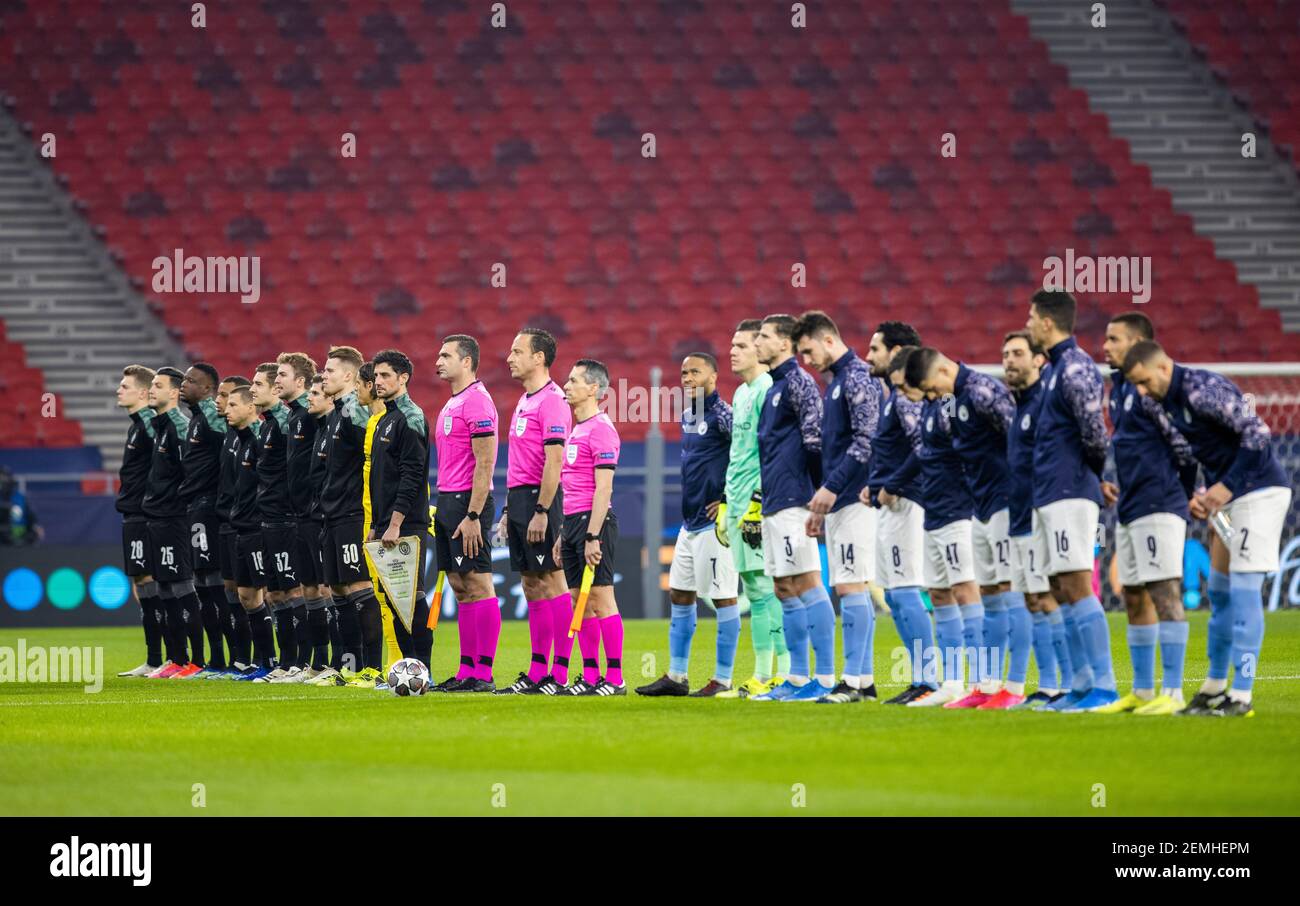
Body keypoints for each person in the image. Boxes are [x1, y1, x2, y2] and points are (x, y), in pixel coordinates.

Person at [1123, 340, 1293, 717]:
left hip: (1259, 492)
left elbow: (1258, 435)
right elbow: (1183, 453)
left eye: (1145, 381)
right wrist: (1191, 495)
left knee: (1246, 593)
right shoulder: (1158, 401)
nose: (1141, 391)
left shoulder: (1202, 389)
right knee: (1218, 591)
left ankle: (1243, 693)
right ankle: (1215, 686)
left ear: (1164, 367)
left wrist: (1224, 488)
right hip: (1227, 498)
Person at [910, 347, 1031, 709]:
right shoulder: (956, 398)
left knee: (1012, 592)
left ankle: (1015, 685)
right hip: (981, 505)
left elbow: (1018, 440)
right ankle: (987, 684)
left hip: (1006, 500)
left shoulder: (982, 391)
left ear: (944, 369)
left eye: (932, 389)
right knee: (991, 594)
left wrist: (1022, 490)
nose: (932, 398)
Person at [1098, 313, 1197, 714]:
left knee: (1165, 593)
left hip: (1159, 503)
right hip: (1131, 506)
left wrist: (1180, 493)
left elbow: (1185, 447)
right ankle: (1141, 691)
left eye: (1113, 340)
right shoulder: (1121, 388)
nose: (1105, 347)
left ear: (1138, 342)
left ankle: (1172, 693)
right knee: (1135, 596)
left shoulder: (1151, 392)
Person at [1026, 290, 1118, 712]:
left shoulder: (1076, 367)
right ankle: (1080, 685)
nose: (1027, 324)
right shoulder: (1052, 369)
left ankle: (1103, 685)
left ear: (1047, 322)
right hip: (1049, 493)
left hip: (1069, 492)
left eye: (1031, 317)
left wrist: (1092, 475)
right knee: (1060, 587)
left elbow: (1095, 433)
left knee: (1078, 585)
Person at [794, 311, 885, 703]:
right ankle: (862, 681)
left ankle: (853, 681)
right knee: (849, 583)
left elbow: (866, 441)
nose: (806, 360)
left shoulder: (858, 378)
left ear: (828, 340)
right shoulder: (835, 383)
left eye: (808, 350)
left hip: (856, 498)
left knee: (851, 585)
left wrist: (830, 489)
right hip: (841, 499)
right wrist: (822, 502)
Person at [637, 353, 738, 697]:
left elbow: (746, 458)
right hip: (689, 523)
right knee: (680, 594)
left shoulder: (725, 416)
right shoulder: (687, 416)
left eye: (695, 371)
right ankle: (677, 677)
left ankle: (722, 681)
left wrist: (727, 501)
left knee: (724, 597)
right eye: (683, 372)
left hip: (715, 524)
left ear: (713, 376)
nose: (687, 378)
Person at [750, 313, 836, 702]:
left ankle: (827, 676)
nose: (757, 343)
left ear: (785, 343)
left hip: (794, 500)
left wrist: (815, 493)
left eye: (764, 337)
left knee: (805, 581)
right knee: (784, 586)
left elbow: (815, 441)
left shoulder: (799, 383)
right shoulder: (774, 388)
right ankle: (799, 678)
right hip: (773, 501)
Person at [493, 328, 573, 695]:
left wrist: (542, 509)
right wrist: (511, 508)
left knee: (553, 581)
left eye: (516, 351)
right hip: (522, 500)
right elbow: (521, 463)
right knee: (531, 583)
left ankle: (558, 674)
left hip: (544, 500)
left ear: (538, 357)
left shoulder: (552, 400)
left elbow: (554, 461)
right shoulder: (526, 400)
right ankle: (538, 670)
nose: (509, 358)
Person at [715, 319, 790, 699]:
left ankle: (781, 674)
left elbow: (771, 453)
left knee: (767, 589)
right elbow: (739, 455)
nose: (733, 351)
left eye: (742, 345)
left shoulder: (765, 391)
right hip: (740, 501)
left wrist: (758, 502)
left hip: (759, 504)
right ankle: (766, 675)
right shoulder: (742, 394)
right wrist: (729, 503)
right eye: (733, 344)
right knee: (758, 589)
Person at [1001, 332, 1073, 709]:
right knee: (1033, 599)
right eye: (1005, 355)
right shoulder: (1018, 405)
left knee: (1050, 597)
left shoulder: (1046, 402)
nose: (1008, 361)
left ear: (1038, 360)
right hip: (1019, 514)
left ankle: (1070, 683)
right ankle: (1048, 686)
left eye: (1017, 353)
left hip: (1042, 511)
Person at [863, 325, 934, 705]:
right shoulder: (893, 395)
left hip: (907, 502)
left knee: (906, 592)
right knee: (895, 592)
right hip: (892, 500)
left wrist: (891, 484)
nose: (869, 356)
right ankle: (921, 678)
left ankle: (928, 679)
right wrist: (874, 485)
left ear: (899, 352)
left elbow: (923, 447)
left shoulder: (906, 396)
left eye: (875, 349)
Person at [429, 335, 502, 693]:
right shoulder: (452, 403)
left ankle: (483, 673)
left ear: (467, 361)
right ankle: (466, 670)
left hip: (468, 504)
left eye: (446, 355)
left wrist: (473, 515)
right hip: (448, 500)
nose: (438, 361)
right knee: (460, 585)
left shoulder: (477, 402)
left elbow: (485, 462)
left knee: (478, 582)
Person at [552, 359, 625, 695]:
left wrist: (592, 535)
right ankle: (592, 676)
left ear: (593, 389)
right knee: (577, 600)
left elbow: (604, 489)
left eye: (573, 381)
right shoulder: (577, 429)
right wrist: (566, 532)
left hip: (594, 524)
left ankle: (615, 679)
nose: (566, 386)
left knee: (600, 599)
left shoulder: (601, 428)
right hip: (573, 523)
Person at [315, 345, 385, 685]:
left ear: (348, 375)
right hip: (332, 514)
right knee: (339, 590)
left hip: (352, 513)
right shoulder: (334, 415)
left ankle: (372, 668)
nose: (323, 376)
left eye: (329, 371)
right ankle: (349, 667)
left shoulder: (357, 415)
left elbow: (375, 464)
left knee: (358, 586)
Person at [367, 349, 435, 671]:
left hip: (406, 525)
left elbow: (412, 477)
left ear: (403, 378)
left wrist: (394, 524)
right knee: (395, 601)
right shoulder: (385, 419)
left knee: (412, 598)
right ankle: (409, 667)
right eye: (376, 376)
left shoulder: (411, 417)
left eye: (385, 376)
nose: (378, 381)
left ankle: (423, 668)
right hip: (385, 525)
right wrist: (376, 526)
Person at [140, 366, 204, 678]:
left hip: (175, 518)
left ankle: (198, 661)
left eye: (158, 385)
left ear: (174, 392)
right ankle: (177, 658)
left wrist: (174, 504)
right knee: (164, 586)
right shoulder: (161, 425)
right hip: (158, 517)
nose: (151, 390)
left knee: (180, 584)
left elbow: (188, 474)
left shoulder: (180, 426)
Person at [114, 365, 162, 677]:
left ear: (143, 393)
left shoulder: (149, 425)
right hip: (134, 515)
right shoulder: (137, 425)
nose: (119, 390)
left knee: (152, 583)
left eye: (125, 386)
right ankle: (155, 658)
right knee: (141, 583)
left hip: (147, 515)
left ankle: (164, 658)